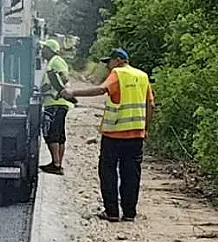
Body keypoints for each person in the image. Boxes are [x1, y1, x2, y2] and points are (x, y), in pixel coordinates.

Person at [63, 48, 155, 223]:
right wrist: (146, 128)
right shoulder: (143, 76)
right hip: (136, 135)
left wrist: (73, 93)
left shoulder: (117, 73)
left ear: (119, 60)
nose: (107, 66)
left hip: (114, 135)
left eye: (109, 62)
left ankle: (112, 211)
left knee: (108, 172)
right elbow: (150, 104)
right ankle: (129, 213)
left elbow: (100, 90)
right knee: (131, 174)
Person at [39, 39, 74, 175]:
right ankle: (57, 163)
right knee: (59, 134)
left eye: (44, 49)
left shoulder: (56, 61)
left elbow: (63, 78)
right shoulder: (53, 61)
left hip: (55, 103)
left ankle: (56, 164)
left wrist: (58, 90)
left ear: (50, 50)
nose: (42, 51)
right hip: (58, 103)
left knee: (51, 133)